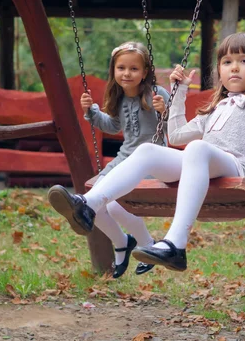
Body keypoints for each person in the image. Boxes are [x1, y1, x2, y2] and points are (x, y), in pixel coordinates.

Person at [48, 31, 245, 272]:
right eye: (227, 62)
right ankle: (88, 206)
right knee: (148, 151)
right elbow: (175, 135)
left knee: (197, 148)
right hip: (204, 166)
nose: (234, 67)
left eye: (244, 61)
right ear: (219, 70)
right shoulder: (216, 108)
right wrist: (179, 91)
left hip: (240, 169)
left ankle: (175, 244)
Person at [48, 41, 170, 278]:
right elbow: (113, 126)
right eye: (121, 68)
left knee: (113, 203)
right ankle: (122, 242)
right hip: (125, 158)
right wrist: (92, 113)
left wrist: (163, 111)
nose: (127, 73)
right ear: (114, 71)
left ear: (145, 72)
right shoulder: (119, 97)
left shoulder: (156, 94)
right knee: (98, 197)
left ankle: (146, 242)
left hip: (153, 160)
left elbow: (172, 128)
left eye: (134, 69)